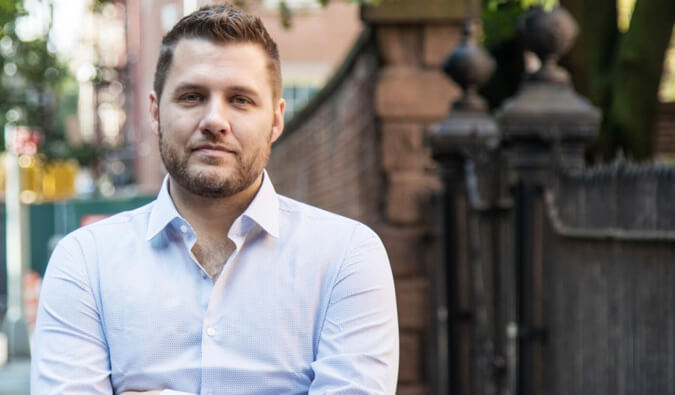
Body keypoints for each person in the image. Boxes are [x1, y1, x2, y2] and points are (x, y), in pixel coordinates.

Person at [30, 3, 398, 394]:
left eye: (240, 99)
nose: (214, 121)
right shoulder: (85, 263)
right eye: (191, 97)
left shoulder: (347, 256)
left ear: (275, 119)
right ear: (155, 111)